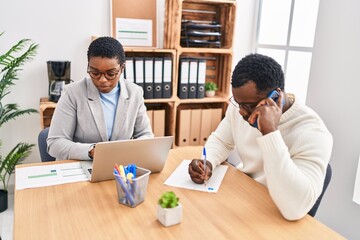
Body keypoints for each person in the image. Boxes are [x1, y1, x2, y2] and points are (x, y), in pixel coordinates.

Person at [188, 53, 333, 221]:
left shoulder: (313, 133)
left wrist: (270, 133)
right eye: (237, 103)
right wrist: (208, 162)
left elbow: (295, 209)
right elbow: (221, 140)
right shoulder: (242, 105)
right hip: (243, 196)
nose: (241, 111)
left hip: (273, 213)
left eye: (248, 106)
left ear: (275, 97)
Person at [47, 36, 153, 160]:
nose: (102, 80)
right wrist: (90, 151)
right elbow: (55, 143)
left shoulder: (135, 92)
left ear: (122, 68)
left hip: (119, 167)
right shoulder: (72, 93)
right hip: (82, 165)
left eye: (111, 74)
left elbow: (145, 135)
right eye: (95, 73)